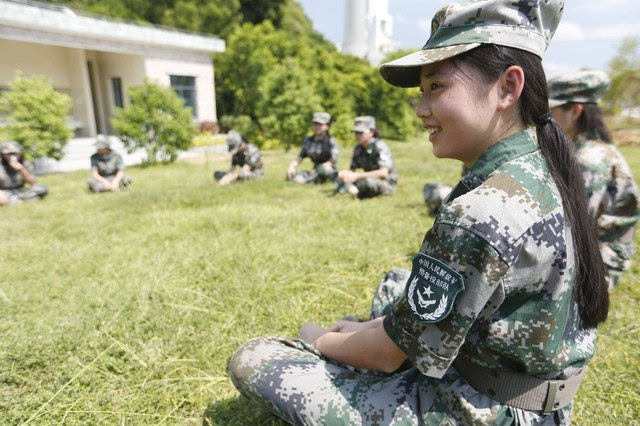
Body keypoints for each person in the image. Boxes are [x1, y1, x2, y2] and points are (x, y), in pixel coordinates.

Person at [229, 0, 611, 424]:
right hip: (536, 398)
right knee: (396, 286)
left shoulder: (485, 210)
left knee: (256, 357)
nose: (421, 109)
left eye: (437, 87)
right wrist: (358, 332)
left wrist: (318, 339)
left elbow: (385, 355)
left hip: (484, 409)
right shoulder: (545, 163)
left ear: (507, 87)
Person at [549, 69, 640, 289]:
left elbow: (573, 228)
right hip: (592, 252)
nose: (548, 118)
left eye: (553, 111)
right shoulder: (586, 149)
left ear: (576, 111)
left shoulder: (590, 160)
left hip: (598, 263)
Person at [336, 116, 398, 198]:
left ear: (372, 132)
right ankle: (352, 189)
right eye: (356, 132)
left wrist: (357, 176)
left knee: (367, 183)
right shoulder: (358, 148)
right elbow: (352, 170)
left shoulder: (380, 147)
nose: (357, 135)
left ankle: (354, 190)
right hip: (368, 177)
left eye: (361, 133)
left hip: (385, 182)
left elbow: (383, 173)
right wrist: (345, 174)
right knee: (342, 178)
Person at [286, 112, 339, 184]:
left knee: (323, 170)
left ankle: (308, 180)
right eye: (315, 124)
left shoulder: (331, 141)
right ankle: (309, 179)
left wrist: (318, 169)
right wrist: (291, 167)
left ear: (327, 126)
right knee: (292, 173)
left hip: (327, 170)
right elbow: (301, 156)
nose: (317, 127)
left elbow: (332, 161)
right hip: (314, 171)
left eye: (320, 125)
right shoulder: (308, 141)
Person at [0, 140, 48, 205]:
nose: (12, 156)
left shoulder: (26, 164)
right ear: (3, 155)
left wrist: (21, 169)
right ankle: (21, 200)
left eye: (14, 153)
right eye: (9, 154)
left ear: (20, 153)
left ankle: (16, 200)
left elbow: (33, 183)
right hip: (4, 191)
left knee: (42, 189)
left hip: (20, 190)